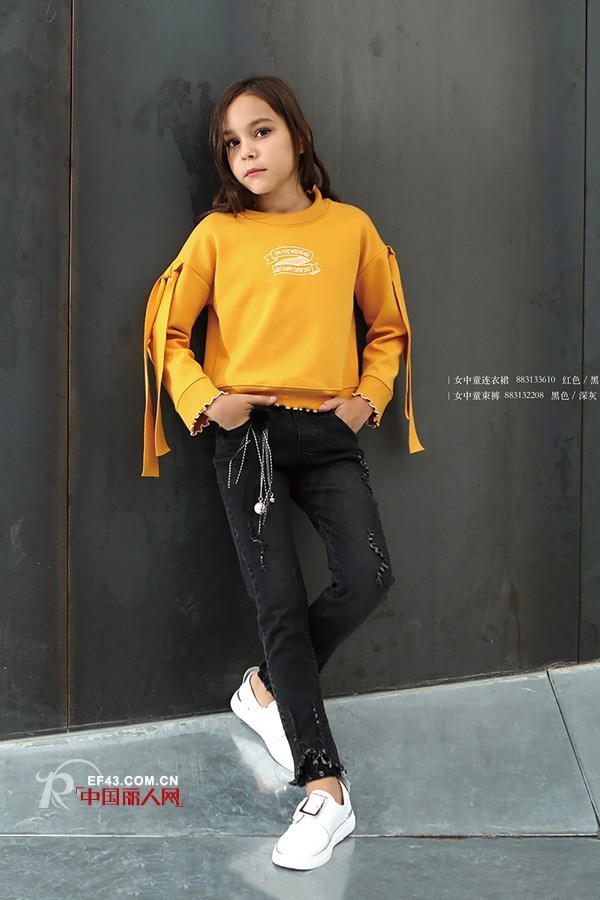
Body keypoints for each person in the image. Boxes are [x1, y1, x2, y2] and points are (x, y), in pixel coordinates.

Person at [142, 74, 425, 870]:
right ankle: (325, 791)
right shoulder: (217, 236)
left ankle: (265, 690)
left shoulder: (351, 228)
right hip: (250, 438)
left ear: (296, 135)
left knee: (367, 577)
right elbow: (167, 331)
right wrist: (209, 401)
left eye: (261, 132)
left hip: (329, 431)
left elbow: (388, 328)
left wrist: (369, 398)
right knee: (279, 607)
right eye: (231, 143)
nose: (247, 152)